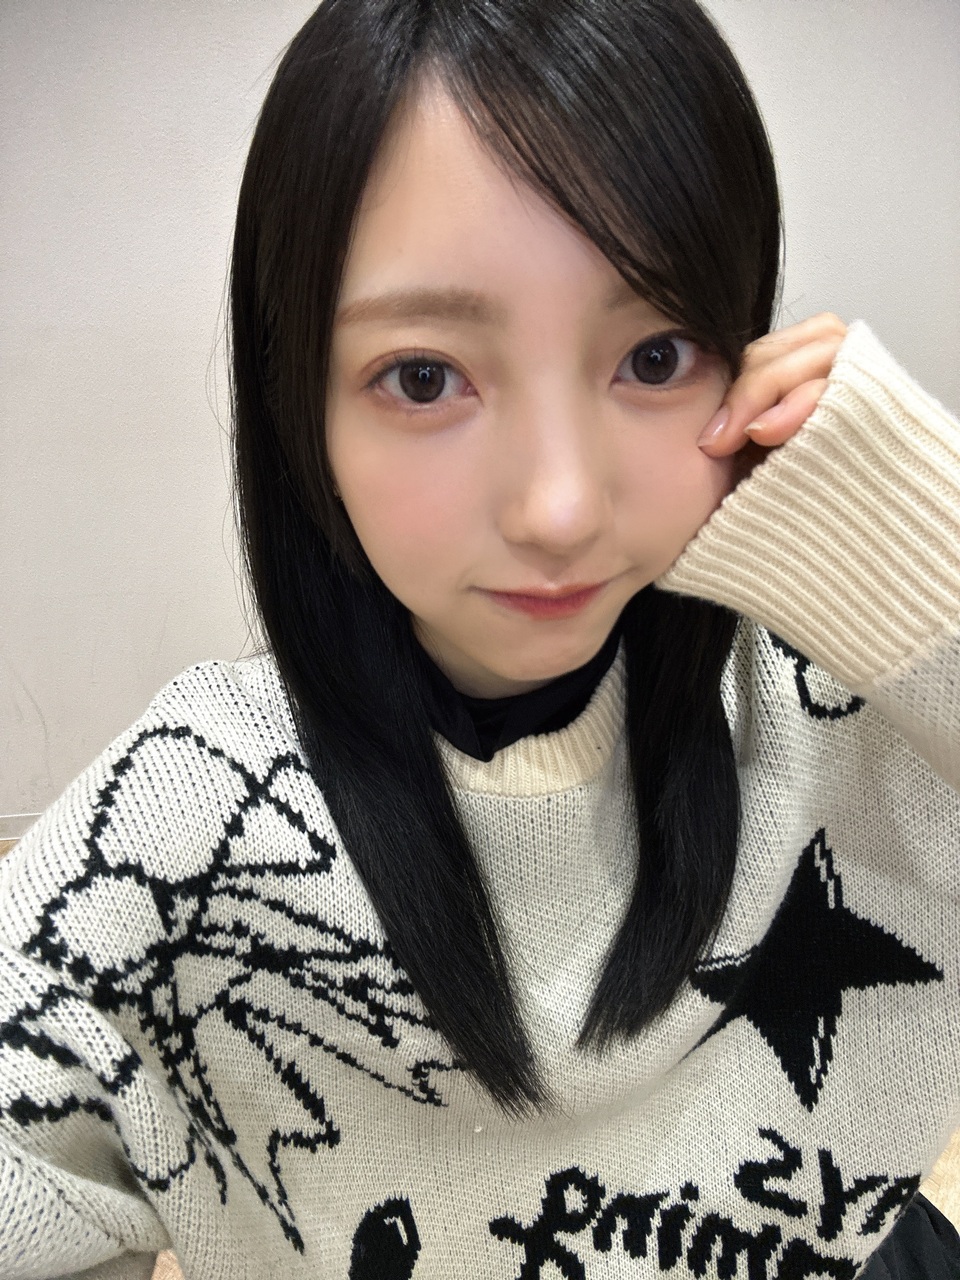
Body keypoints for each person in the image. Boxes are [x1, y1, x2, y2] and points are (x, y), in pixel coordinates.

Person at [1, 0, 958, 1277]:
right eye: (424, 376)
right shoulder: (193, 821)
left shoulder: (831, 688)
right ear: (300, 407)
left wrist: (933, 558)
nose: (558, 508)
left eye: (656, 355)